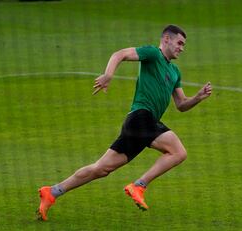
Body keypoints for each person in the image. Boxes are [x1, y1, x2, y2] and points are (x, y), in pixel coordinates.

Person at [37, 24, 212, 220]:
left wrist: (197, 97)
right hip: (141, 117)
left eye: (184, 45)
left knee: (101, 169)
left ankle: (52, 192)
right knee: (178, 152)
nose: (182, 48)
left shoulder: (175, 72)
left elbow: (181, 104)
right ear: (166, 40)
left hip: (142, 123)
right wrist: (108, 75)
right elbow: (119, 54)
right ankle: (139, 185)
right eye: (179, 43)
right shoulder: (153, 54)